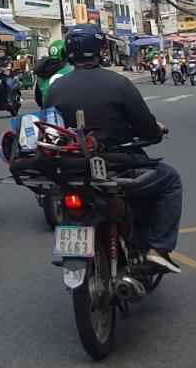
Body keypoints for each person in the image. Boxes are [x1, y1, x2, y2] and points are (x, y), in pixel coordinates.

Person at [47, 22, 182, 273]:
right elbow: (145, 127)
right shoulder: (119, 84)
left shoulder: (55, 89)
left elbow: (51, 127)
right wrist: (156, 131)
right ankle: (158, 248)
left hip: (73, 169)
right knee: (171, 180)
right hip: (119, 165)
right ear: (99, 50)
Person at [33, 35, 67, 105]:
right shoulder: (69, 69)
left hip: (47, 111)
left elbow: (38, 98)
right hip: (65, 110)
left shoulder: (41, 70)